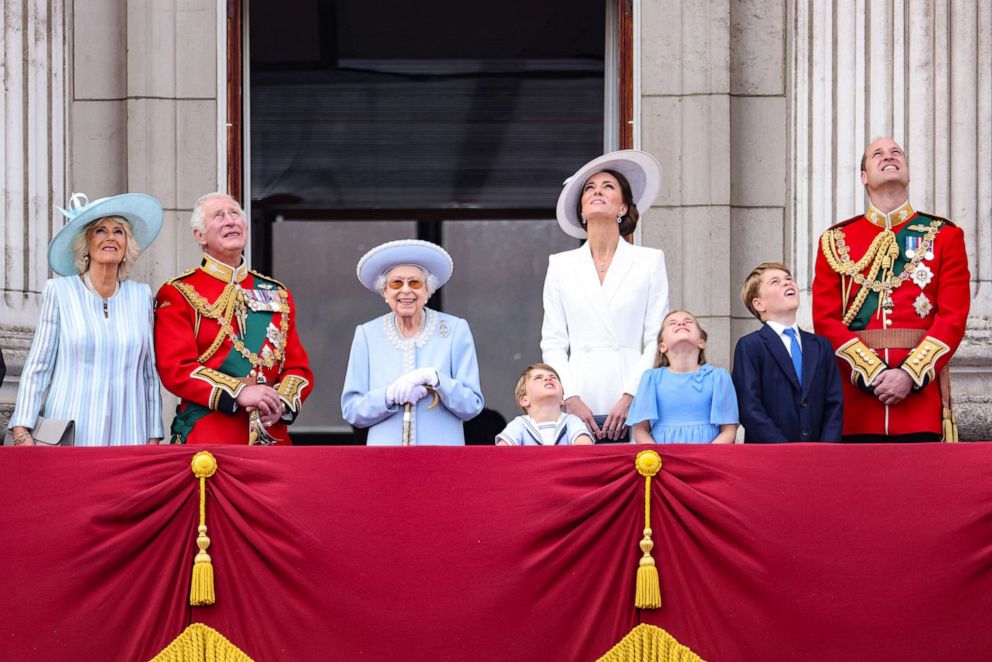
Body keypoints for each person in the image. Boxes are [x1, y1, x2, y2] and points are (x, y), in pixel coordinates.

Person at [812, 137, 971, 442]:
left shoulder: (944, 236)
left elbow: (952, 317)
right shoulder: (836, 241)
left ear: (908, 171)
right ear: (863, 177)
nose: (889, 156)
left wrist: (909, 375)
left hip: (919, 406)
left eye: (897, 152)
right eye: (878, 154)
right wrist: (874, 375)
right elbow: (825, 320)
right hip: (856, 409)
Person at [155, 193, 313, 445]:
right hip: (210, 434)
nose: (230, 221)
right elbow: (176, 369)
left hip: (271, 434)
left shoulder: (276, 293)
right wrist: (240, 392)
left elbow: (298, 368)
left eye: (235, 214)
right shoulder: (179, 292)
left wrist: (280, 403)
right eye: (218, 216)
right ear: (200, 235)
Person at [7, 192, 164, 446]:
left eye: (119, 231)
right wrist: (22, 430)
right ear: (85, 244)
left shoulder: (141, 296)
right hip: (69, 432)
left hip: (129, 434)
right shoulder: (60, 292)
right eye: (100, 230)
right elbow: (38, 367)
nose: (110, 237)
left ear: (127, 246)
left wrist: (153, 434)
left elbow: (148, 374)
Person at [541, 150, 669, 443]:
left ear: (623, 206)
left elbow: (655, 338)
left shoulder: (649, 261)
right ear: (581, 210)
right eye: (589, 188)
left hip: (634, 395)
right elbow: (553, 341)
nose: (597, 191)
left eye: (608, 186)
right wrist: (570, 397)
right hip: (578, 396)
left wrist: (630, 396)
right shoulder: (560, 265)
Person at [341, 239, 484, 445]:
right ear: (385, 292)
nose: (406, 290)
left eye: (415, 283)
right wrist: (388, 395)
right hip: (386, 457)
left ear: (427, 290)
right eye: (396, 283)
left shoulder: (455, 330)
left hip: (442, 456)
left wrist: (436, 379)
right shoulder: (367, 334)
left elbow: (472, 405)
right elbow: (352, 411)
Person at [732, 263, 844, 443]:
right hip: (771, 456)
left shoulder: (821, 346)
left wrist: (826, 448)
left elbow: (834, 402)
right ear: (759, 304)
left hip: (819, 455)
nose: (786, 283)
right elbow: (750, 407)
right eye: (775, 282)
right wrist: (784, 450)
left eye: (788, 279)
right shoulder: (750, 346)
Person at [626, 311, 738, 444]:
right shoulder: (651, 379)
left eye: (688, 322)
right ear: (662, 346)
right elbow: (641, 431)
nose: (681, 323)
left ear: (701, 342)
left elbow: (729, 430)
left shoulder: (718, 378)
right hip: (663, 458)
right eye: (672, 323)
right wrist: (658, 457)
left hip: (707, 458)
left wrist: (706, 457)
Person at [495, 364, 593, 446]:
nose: (548, 378)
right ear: (525, 400)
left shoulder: (572, 421)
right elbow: (502, 452)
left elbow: (584, 448)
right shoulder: (519, 424)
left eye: (553, 377)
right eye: (538, 377)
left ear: (562, 399)